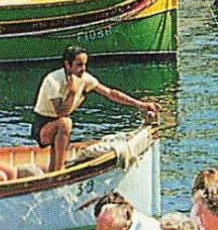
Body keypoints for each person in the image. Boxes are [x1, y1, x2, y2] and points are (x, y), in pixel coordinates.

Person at [33, 44, 159, 172]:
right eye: (79, 65)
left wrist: (140, 105)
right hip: (43, 126)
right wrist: (73, 92)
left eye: (84, 64)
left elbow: (110, 93)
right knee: (65, 123)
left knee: (65, 124)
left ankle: (54, 168)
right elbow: (61, 112)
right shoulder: (53, 80)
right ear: (67, 64)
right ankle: (58, 172)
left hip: (59, 125)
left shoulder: (84, 78)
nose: (83, 69)